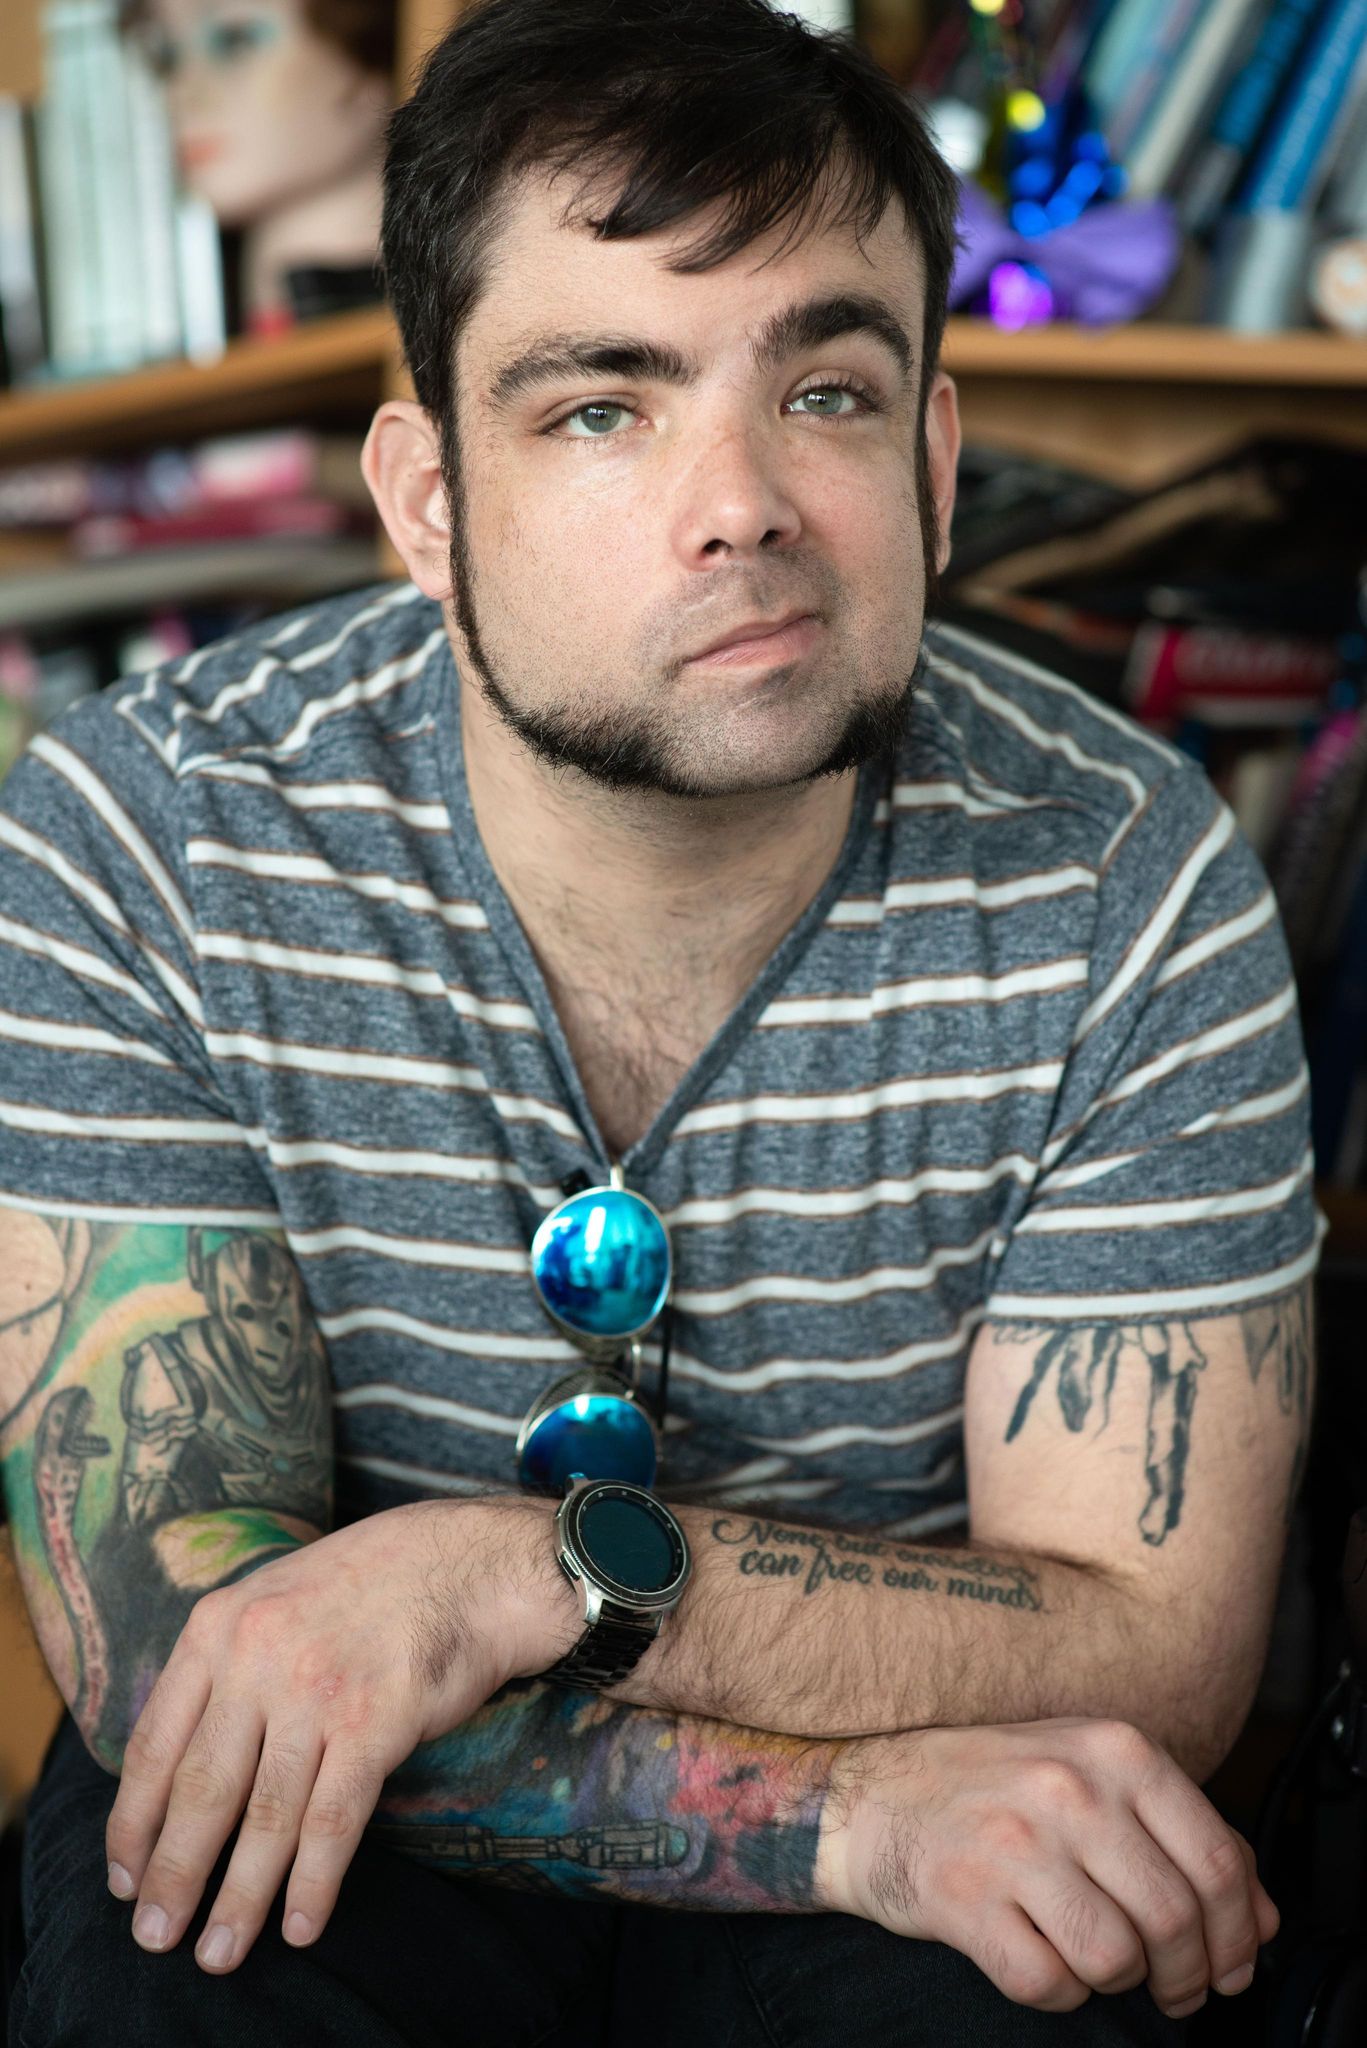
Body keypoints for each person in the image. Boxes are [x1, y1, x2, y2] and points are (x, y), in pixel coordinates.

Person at [0, 0, 1319, 2042]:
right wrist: (847, 1817)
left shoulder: (1128, 880)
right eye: (601, 406)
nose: (745, 502)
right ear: (428, 501)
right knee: (189, 1927)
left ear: (935, 460)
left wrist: (517, 1574)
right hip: (452, 1813)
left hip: (944, 1829)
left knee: (1061, 1964)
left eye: (829, 387)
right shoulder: (141, 838)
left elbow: (1157, 1649)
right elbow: (197, 1660)